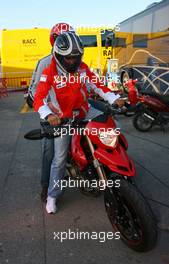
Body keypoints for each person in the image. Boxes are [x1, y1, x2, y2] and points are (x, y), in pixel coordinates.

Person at [33, 30, 124, 214]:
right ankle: (52, 195)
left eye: (77, 57)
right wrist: (48, 115)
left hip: (84, 110)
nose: (74, 61)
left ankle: (114, 167)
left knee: (110, 127)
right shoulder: (49, 70)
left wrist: (114, 98)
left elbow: (97, 84)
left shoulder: (82, 68)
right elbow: (39, 97)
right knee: (58, 160)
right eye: (69, 58)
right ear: (58, 55)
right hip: (64, 117)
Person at [26, 23, 73, 202]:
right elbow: (35, 92)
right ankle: (46, 186)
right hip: (52, 116)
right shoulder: (46, 62)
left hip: (72, 113)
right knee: (49, 151)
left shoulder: (76, 62)